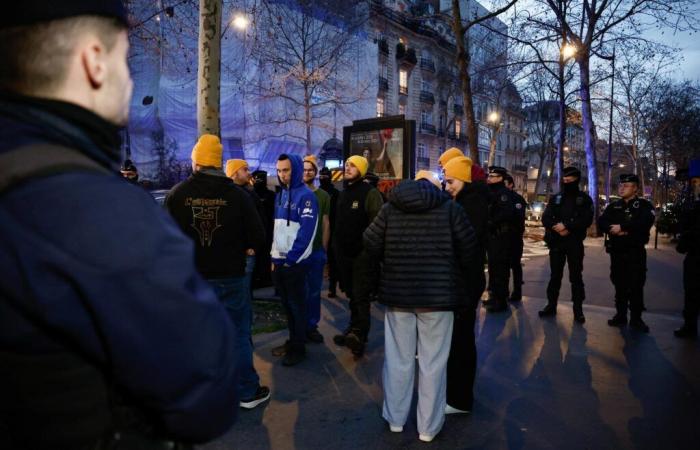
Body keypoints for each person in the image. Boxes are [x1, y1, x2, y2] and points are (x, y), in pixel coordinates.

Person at [0, 3, 239, 449]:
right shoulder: (99, 215)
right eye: (124, 59)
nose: (128, 82)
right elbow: (207, 391)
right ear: (93, 61)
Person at [363, 171, 478, 442]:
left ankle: (395, 419)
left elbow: (369, 241)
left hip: (398, 295)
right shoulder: (450, 209)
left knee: (398, 360)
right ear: (436, 187)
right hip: (438, 298)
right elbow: (470, 249)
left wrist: (389, 260)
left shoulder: (391, 207)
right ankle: (428, 428)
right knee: (433, 364)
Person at [167, 136, 269, 410]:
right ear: (219, 163)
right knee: (236, 334)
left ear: (196, 161)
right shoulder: (237, 196)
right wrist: (245, 249)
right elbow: (258, 236)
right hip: (231, 277)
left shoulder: (178, 195)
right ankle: (246, 391)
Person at [441, 157, 488, 415]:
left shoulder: (471, 204)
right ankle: (457, 395)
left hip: (465, 281)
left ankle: (459, 399)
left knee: (461, 341)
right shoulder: (466, 200)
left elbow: (465, 245)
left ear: (465, 178)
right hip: (464, 279)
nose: (446, 186)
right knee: (460, 339)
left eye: (451, 181)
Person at [270, 154, 319, 366]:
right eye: (280, 170)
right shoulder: (280, 195)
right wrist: (273, 257)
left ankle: (299, 349)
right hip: (279, 263)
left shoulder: (307, 197)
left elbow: (307, 235)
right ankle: (293, 342)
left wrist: (290, 260)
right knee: (288, 308)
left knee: (297, 308)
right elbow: (277, 230)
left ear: (296, 169)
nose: (282, 175)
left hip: (295, 264)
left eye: (286, 170)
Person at [333, 155, 384, 357]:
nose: (347, 168)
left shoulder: (370, 193)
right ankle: (352, 329)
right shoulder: (344, 192)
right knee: (352, 296)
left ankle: (360, 338)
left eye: (352, 165)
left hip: (362, 256)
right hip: (344, 255)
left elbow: (377, 225)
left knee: (361, 297)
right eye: (346, 165)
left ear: (361, 169)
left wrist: (368, 252)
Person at [597, 174, 655, 332]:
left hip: (635, 253)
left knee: (636, 285)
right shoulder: (614, 206)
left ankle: (636, 319)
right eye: (621, 185)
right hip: (617, 252)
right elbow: (601, 222)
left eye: (626, 185)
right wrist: (612, 229)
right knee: (619, 284)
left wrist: (622, 228)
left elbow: (644, 223)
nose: (621, 188)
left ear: (635, 188)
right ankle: (620, 315)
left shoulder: (644, 205)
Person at [538, 167, 594, 323]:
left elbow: (586, 220)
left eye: (570, 181)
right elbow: (546, 218)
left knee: (576, 277)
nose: (566, 183)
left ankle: (578, 310)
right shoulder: (556, 198)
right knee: (555, 276)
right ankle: (551, 305)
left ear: (577, 180)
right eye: (565, 180)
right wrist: (557, 227)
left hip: (574, 244)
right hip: (557, 242)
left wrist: (567, 226)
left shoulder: (584, 199)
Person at [226, 158, 266, 300]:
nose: (249, 173)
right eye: (245, 169)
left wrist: (253, 246)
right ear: (235, 173)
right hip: (239, 252)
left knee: (243, 291)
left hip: (245, 251)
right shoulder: (231, 195)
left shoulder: (247, 193)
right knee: (241, 293)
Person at [484, 166, 522, 313]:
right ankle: (494, 296)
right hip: (492, 236)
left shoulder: (503, 194)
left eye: (493, 176)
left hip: (501, 236)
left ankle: (501, 299)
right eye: (489, 176)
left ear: (500, 178)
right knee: (493, 268)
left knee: (501, 268)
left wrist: (490, 222)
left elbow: (506, 214)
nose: (490, 178)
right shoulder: (491, 192)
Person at [302, 155, 331, 343]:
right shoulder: (292, 193)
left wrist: (324, 251)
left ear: (316, 172)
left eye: (310, 169)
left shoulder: (323, 196)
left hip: (315, 252)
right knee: (297, 292)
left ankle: (311, 326)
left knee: (313, 292)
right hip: (297, 252)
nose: (307, 172)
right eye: (304, 169)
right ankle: (298, 327)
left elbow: (326, 224)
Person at [674, 161, 700, 338]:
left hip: (696, 254)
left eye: (697, 181)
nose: (694, 186)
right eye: (693, 182)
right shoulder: (693, 203)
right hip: (694, 256)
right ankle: (689, 325)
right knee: (691, 292)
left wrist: (687, 239)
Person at [504, 174, 527, 302]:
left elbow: (518, 218)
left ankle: (517, 292)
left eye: (505, 183)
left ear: (511, 184)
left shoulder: (518, 199)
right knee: (504, 266)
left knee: (515, 265)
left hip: (514, 237)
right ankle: (504, 291)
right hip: (503, 238)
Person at [252, 169, 276, 288]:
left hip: (268, 230)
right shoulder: (250, 195)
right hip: (256, 231)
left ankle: (265, 278)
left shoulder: (271, 196)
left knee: (266, 255)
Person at [319, 166, 340, 298]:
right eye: (321, 177)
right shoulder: (320, 192)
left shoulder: (335, 193)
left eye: (324, 177)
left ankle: (332, 286)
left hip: (331, 229)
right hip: (322, 229)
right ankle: (330, 286)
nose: (322, 179)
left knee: (332, 260)